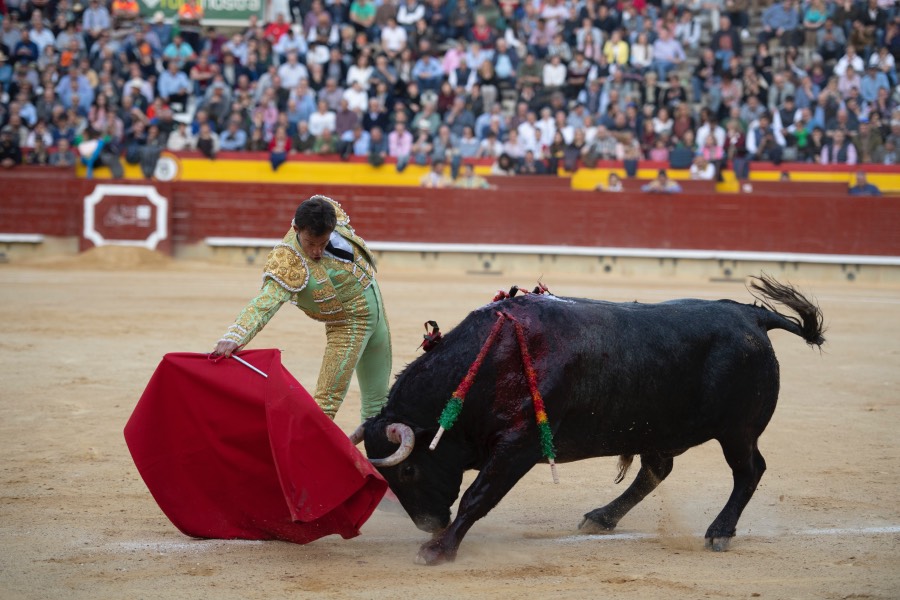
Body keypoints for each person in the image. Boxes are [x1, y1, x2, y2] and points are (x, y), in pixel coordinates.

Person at [213, 196, 392, 421]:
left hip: (378, 315)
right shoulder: (287, 261)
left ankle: (374, 445)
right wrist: (234, 336)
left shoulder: (329, 213)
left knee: (378, 403)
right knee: (325, 406)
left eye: (323, 243)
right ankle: (304, 446)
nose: (316, 251)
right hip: (348, 326)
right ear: (297, 229)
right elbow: (264, 303)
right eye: (310, 243)